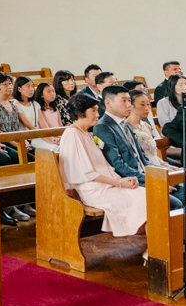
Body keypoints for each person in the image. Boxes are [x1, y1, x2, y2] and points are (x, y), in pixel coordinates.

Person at [92, 86, 186, 209]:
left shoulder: (126, 126)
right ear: (108, 103)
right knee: (176, 205)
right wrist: (153, 181)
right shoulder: (103, 127)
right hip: (134, 182)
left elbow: (143, 158)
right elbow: (118, 165)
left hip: (149, 176)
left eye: (129, 101)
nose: (129, 105)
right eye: (124, 101)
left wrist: (160, 176)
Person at [54, 93, 148, 237]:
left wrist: (123, 180)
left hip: (107, 184)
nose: (98, 115)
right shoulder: (72, 134)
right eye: (93, 111)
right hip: (93, 189)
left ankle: (153, 246)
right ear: (81, 113)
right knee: (143, 197)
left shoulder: (85, 133)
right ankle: (154, 247)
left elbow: (103, 166)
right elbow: (87, 173)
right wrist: (119, 183)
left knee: (148, 194)